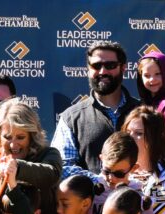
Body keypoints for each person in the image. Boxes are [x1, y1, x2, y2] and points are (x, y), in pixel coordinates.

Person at [0, 100, 65, 214]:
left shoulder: (48, 154)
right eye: (7, 137)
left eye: (20, 137)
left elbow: (51, 175)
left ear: (32, 135)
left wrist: (16, 168)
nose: (13, 145)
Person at [53, 41, 142, 178]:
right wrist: (100, 182)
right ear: (88, 70)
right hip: (91, 198)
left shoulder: (144, 112)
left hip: (139, 197)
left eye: (110, 65)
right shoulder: (71, 118)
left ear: (123, 68)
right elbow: (63, 167)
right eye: (96, 66)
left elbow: (160, 159)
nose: (103, 71)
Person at [134, 51, 165, 156]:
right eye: (146, 75)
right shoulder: (144, 104)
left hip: (162, 167)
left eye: (158, 74)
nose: (152, 79)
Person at [92, 132, 141, 214]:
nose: (111, 178)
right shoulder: (91, 188)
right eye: (106, 171)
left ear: (134, 168)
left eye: (119, 174)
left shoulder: (138, 193)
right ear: (101, 159)